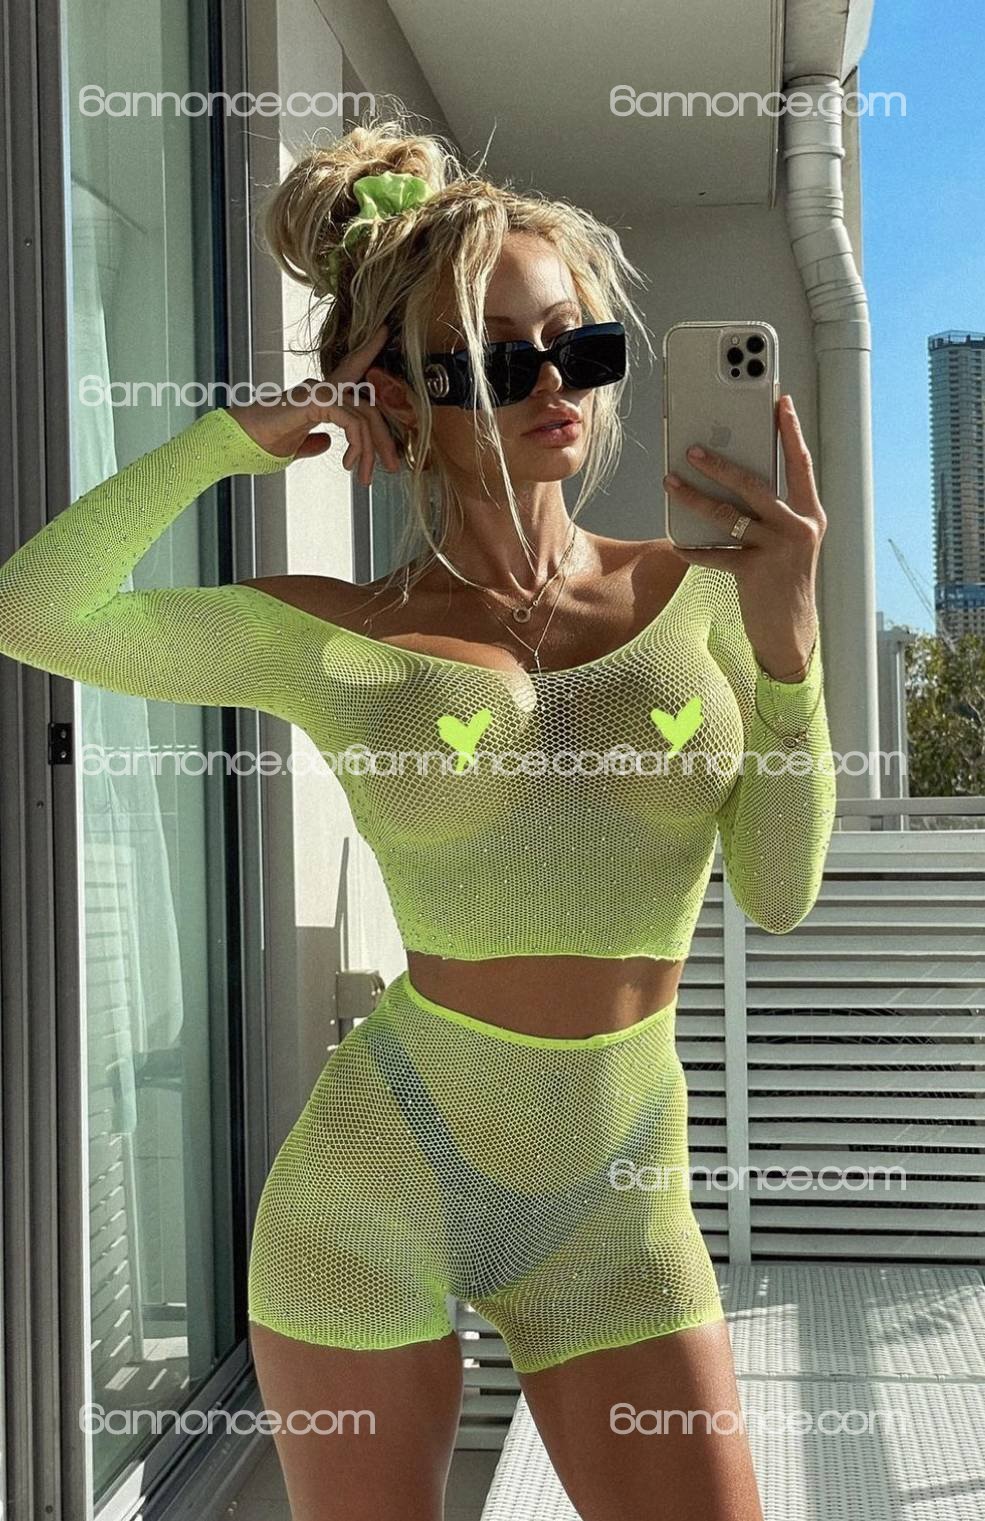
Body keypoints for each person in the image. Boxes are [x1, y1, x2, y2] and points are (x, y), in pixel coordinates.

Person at [0, 110, 835, 1521]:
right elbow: (36, 611)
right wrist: (225, 445)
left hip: (618, 1200)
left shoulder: (708, 595)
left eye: (578, 346)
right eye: (497, 362)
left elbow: (777, 889)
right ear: (391, 395)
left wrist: (791, 648)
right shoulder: (339, 635)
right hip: (376, 1176)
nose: (555, 386)